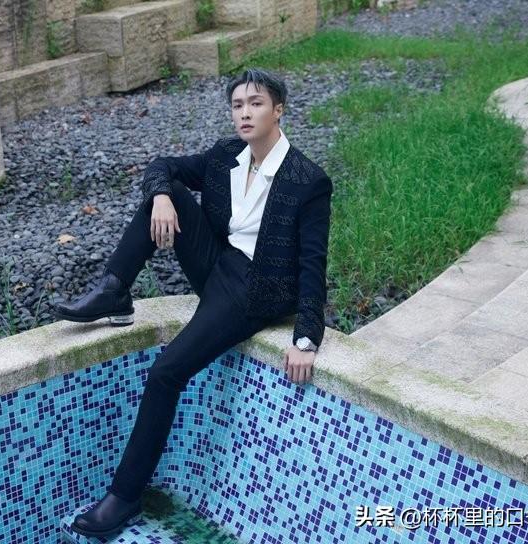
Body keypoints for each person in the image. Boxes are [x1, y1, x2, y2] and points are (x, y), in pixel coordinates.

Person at [53, 67, 333, 538]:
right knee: (168, 196)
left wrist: (306, 338)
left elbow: (312, 264)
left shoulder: (307, 180)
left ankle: (124, 497)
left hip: (254, 289)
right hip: (219, 265)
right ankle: (115, 289)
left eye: (256, 104)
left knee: (166, 372)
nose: (245, 113)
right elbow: (162, 165)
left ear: (278, 110)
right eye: (238, 105)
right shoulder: (227, 155)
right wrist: (163, 195)